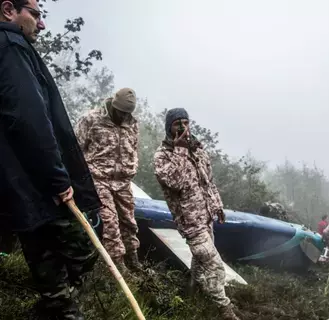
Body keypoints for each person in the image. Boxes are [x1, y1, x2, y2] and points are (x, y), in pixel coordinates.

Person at [0, 1, 102, 318]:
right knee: (84, 240)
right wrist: (58, 179)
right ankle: (58, 306)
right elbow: (28, 118)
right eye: (36, 13)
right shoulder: (11, 46)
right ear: (8, 10)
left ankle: (55, 303)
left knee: (39, 240)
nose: (41, 24)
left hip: (20, 178)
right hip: (37, 178)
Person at [154, 108, 240, 320]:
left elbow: (208, 182)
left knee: (200, 263)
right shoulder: (163, 156)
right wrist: (180, 149)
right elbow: (176, 182)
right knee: (214, 266)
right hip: (190, 222)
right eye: (177, 124)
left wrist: (217, 206)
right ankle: (225, 310)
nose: (183, 127)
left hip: (206, 217)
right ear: (169, 127)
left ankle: (191, 297)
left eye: (185, 122)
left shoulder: (199, 151)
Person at [75, 88, 142, 273]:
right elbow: (75, 149)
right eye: (121, 112)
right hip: (99, 179)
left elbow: (134, 148)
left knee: (129, 222)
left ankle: (133, 258)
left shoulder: (132, 124)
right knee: (110, 222)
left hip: (123, 183)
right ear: (113, 105)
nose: (124, 116)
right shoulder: (91, 119)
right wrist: (79, 179)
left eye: (128, 113)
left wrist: (132, 168)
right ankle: (118, 267)